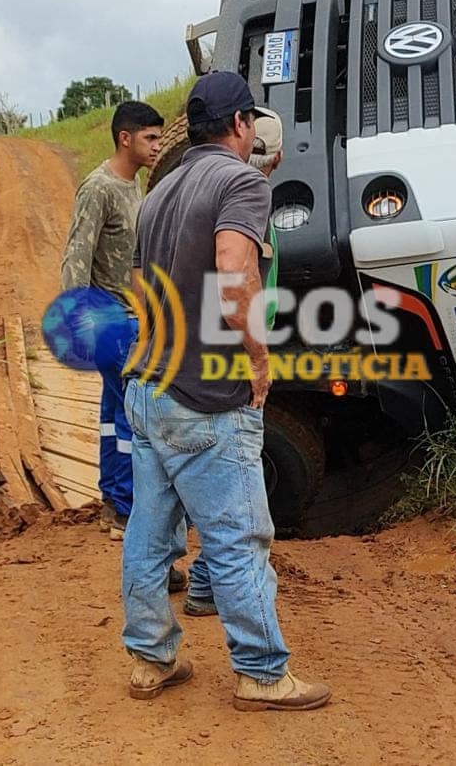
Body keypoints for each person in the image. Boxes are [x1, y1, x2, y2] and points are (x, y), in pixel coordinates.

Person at [121, 72, 329, 711]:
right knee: (239, 535)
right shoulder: (240, 182)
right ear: (241, 126)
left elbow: (137, 286)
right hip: (205, 395)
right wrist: (257, 360)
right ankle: (263, 672)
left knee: (150, 531)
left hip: (150, 386)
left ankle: (151, 659)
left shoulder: (161, 190)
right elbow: (235, 269)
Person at [181, 107, 283, 619]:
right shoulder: (245, 197)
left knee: (216, 496)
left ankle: (202, 586)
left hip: (198, 368)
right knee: (236, 506)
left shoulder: (204, 194)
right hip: (227, 371)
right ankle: (260, 662)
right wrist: (259, 359)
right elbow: (235, 276)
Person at [59, 101, 163, 541]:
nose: (158, 146)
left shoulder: (132, 185)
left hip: (131, 318)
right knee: (131, 418)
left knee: (114, 412)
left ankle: (113, 501)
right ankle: (125, 508)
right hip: (112, 321)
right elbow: (75, 258)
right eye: (151, 138)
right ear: (126, 138)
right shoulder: (99, 188)